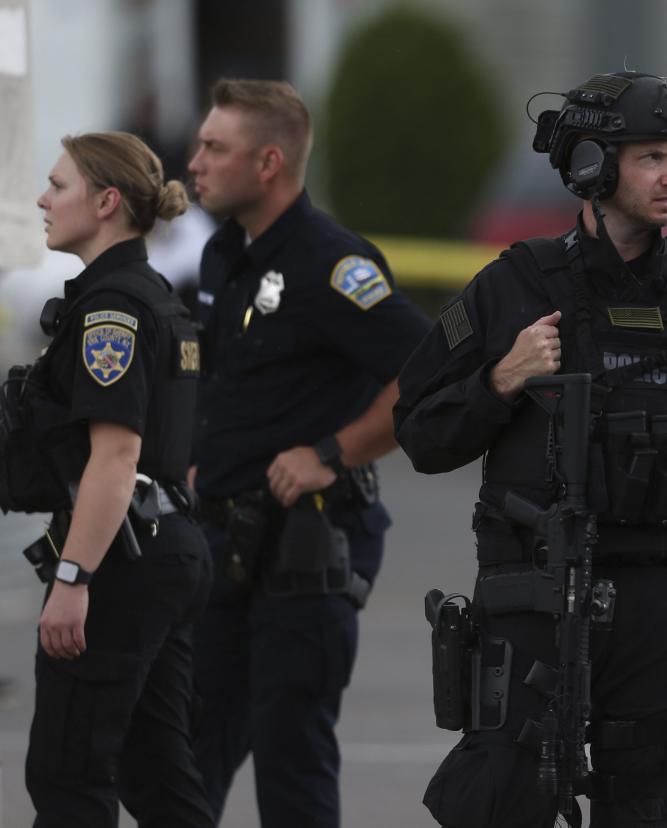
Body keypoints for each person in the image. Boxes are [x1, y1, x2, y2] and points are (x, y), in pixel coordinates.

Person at [394, 70, 667, 827]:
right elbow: (421, 434)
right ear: (593, 166)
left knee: (656, 801)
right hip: (540, 588)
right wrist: (502, 380)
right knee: (506, 796)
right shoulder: (514, 289)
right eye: (651, 157)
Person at [186, 79, 431, 826]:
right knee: (184, 759)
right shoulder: (226, 254)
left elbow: (426, 372)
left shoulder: (333, 265)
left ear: (267, 164)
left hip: (306, 550)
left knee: (291, 765)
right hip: (224, 541)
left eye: (213, 148)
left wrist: (334, 450)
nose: (193, 160)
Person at [13, 131, 214, 826]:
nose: (43, 198)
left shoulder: (112, 310)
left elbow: (118, 457)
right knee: (158, 780)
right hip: (162, 545)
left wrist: (74, 580)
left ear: (106, 201)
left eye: (59, 185)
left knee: (68, 775)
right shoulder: (153, 296)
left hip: (118, 561)